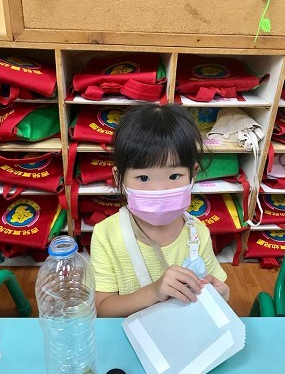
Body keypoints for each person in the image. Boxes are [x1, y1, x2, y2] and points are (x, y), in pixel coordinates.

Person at [90, 104, 230, 317]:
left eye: (174, 176)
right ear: (119, 178)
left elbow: (211, 288)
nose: (160, 190)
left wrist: (220, 294)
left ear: (193, 174)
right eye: (143, 177)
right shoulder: (106, 234)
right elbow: (103, 309)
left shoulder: (198, 233)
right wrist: (154, 292)